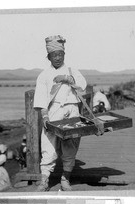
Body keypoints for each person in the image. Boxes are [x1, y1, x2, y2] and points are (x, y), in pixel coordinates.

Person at [33, 35, 88, 191]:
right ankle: (44, 180)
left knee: (70, 145)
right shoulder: (43, 75)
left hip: (72, 111)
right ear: (49, 56)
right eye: (54, 55)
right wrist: (44, 115)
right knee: (49, 145)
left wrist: (67, 78)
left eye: (60, 55)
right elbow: (41, 97)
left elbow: (82, 86)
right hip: (53, 111)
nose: (57, 58)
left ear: (64, 55)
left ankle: (65, 178)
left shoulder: (73, 71)